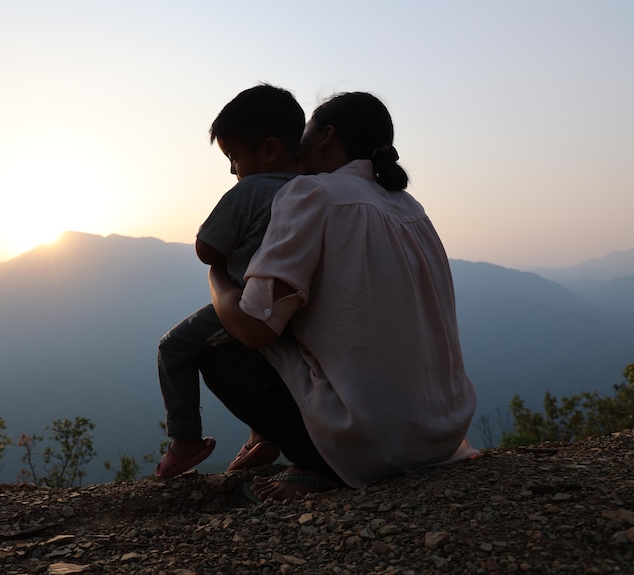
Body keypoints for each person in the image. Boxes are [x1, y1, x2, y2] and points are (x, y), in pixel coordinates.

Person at [201, 91, 479, 501]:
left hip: (371, 444)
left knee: (212, 344)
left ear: (326, 136)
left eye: (308, 130)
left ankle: (318, 463)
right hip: (443, 434)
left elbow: (256, 327)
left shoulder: (311, 194)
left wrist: (218, 276)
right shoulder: (411, 207)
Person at [154, 84, 305, 479]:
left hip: (247, 302)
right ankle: (262, 435)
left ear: (270, 149)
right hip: (296, 303)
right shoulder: (312, 189)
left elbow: (206, 248)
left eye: (234, 157)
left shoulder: (251, 190)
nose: (232, 169)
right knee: (265, 361)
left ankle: (185, 441)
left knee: (172, 348)